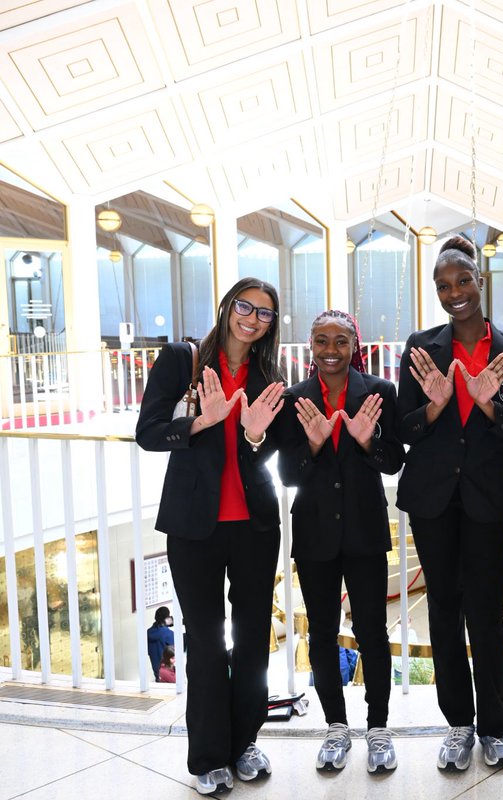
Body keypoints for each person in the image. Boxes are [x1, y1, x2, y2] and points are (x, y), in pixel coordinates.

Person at [135, 277, 287, 795]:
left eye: (264, 313)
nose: (252, 318)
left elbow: (270, 456)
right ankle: (206, 757)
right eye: (245, 306)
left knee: (251, 640)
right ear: (227, 307)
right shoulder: (183, 360)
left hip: (255, 526)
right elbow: (150, 432)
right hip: (193, 527)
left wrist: (253, 434)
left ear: (272, 323)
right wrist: (202, 422)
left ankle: (244, 742)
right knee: (204, 641)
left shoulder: (269, 375)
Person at [395, 236, 503, 771]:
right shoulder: (421, 345)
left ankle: (494, 727)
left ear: (482, 281)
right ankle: (458, 725)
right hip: (432, 499)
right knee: (444, 611)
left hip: (483, 498)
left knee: (486, 614)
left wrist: (487, 404)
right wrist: (435, 408)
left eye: (463, 281)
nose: (455, 293)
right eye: (444, 285)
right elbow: (405, 428)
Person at [278, 310, 403, 774]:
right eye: (321, 340)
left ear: (355, 344)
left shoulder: (379, 393)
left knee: (372, 631)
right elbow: (288, 475)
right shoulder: (295, 399)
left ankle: (378, 729)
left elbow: (393, 462)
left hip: (366, 530)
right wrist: (312, 445)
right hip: (314, 533)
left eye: (341, 341)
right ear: (310, 344)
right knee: (323, 634)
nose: (331, 350)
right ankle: (335, 727)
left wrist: (368, 442)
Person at [147, 606, 175, 681]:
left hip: (157, 673)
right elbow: (174, 653)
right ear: (166, 618)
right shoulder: (169, 634)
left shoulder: (148, 633)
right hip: (169, 674)